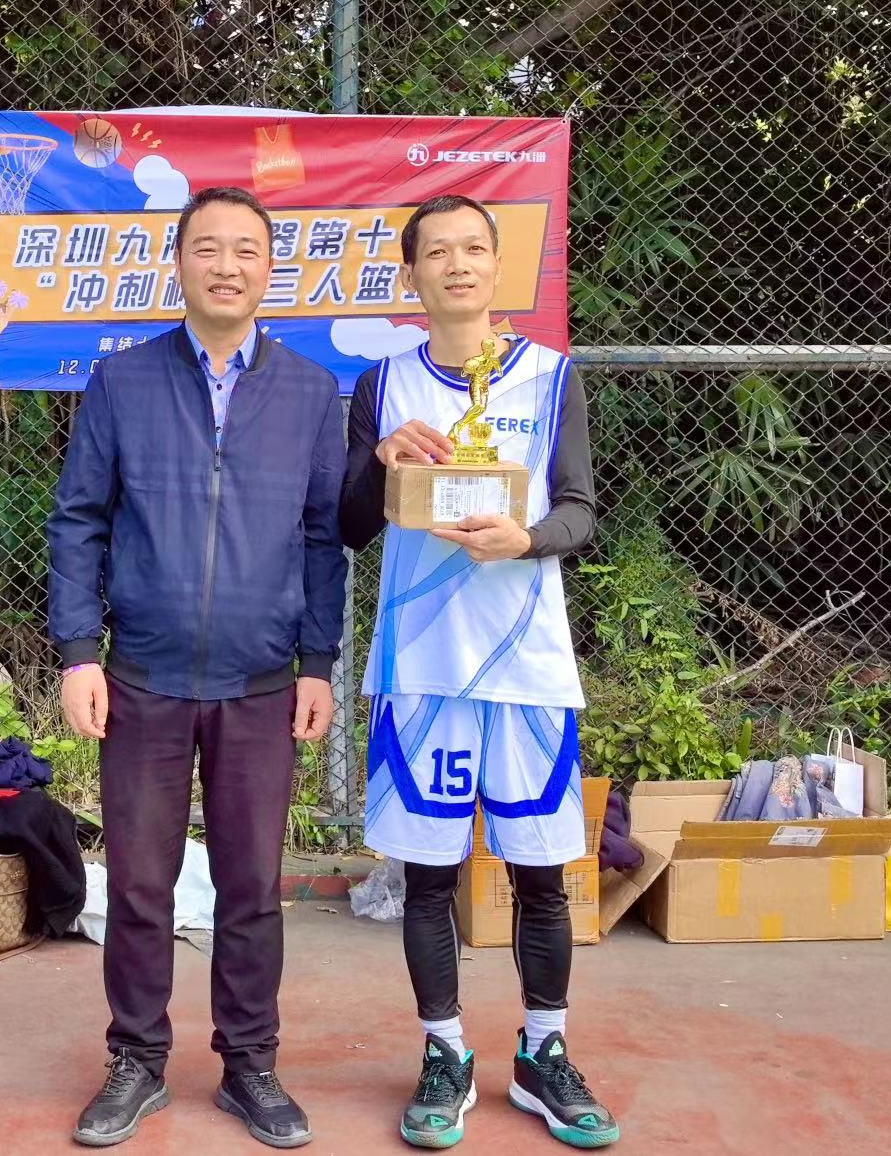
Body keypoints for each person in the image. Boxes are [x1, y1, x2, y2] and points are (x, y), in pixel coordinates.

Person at [49, 185, 347, 1149]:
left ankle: (250, 1065)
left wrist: (316, 662)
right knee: (140, 885)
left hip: (261, 683)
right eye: (208, 248)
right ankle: (136, 1061)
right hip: (142, 675)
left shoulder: (308, 391)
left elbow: (322, 538)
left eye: (247, 250)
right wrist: (79, 654)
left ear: (270, 270)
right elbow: (79, 520)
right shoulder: (122, 381)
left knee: (251, 888)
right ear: (178, 264)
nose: (227, 266)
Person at [339, 194, 618, 1149]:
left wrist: (525, 539)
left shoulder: (550, 376)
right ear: (409, 274)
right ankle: (444, 1054)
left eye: (472, 249)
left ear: (498, 267)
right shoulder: (382, 385)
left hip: (527, 668)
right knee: (428, 877)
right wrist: (379, 464)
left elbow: (579, 510)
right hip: (420, 666)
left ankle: (543, 1053)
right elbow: (347, 525)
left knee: (541, 877)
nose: (456, 265)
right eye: (436, 252)